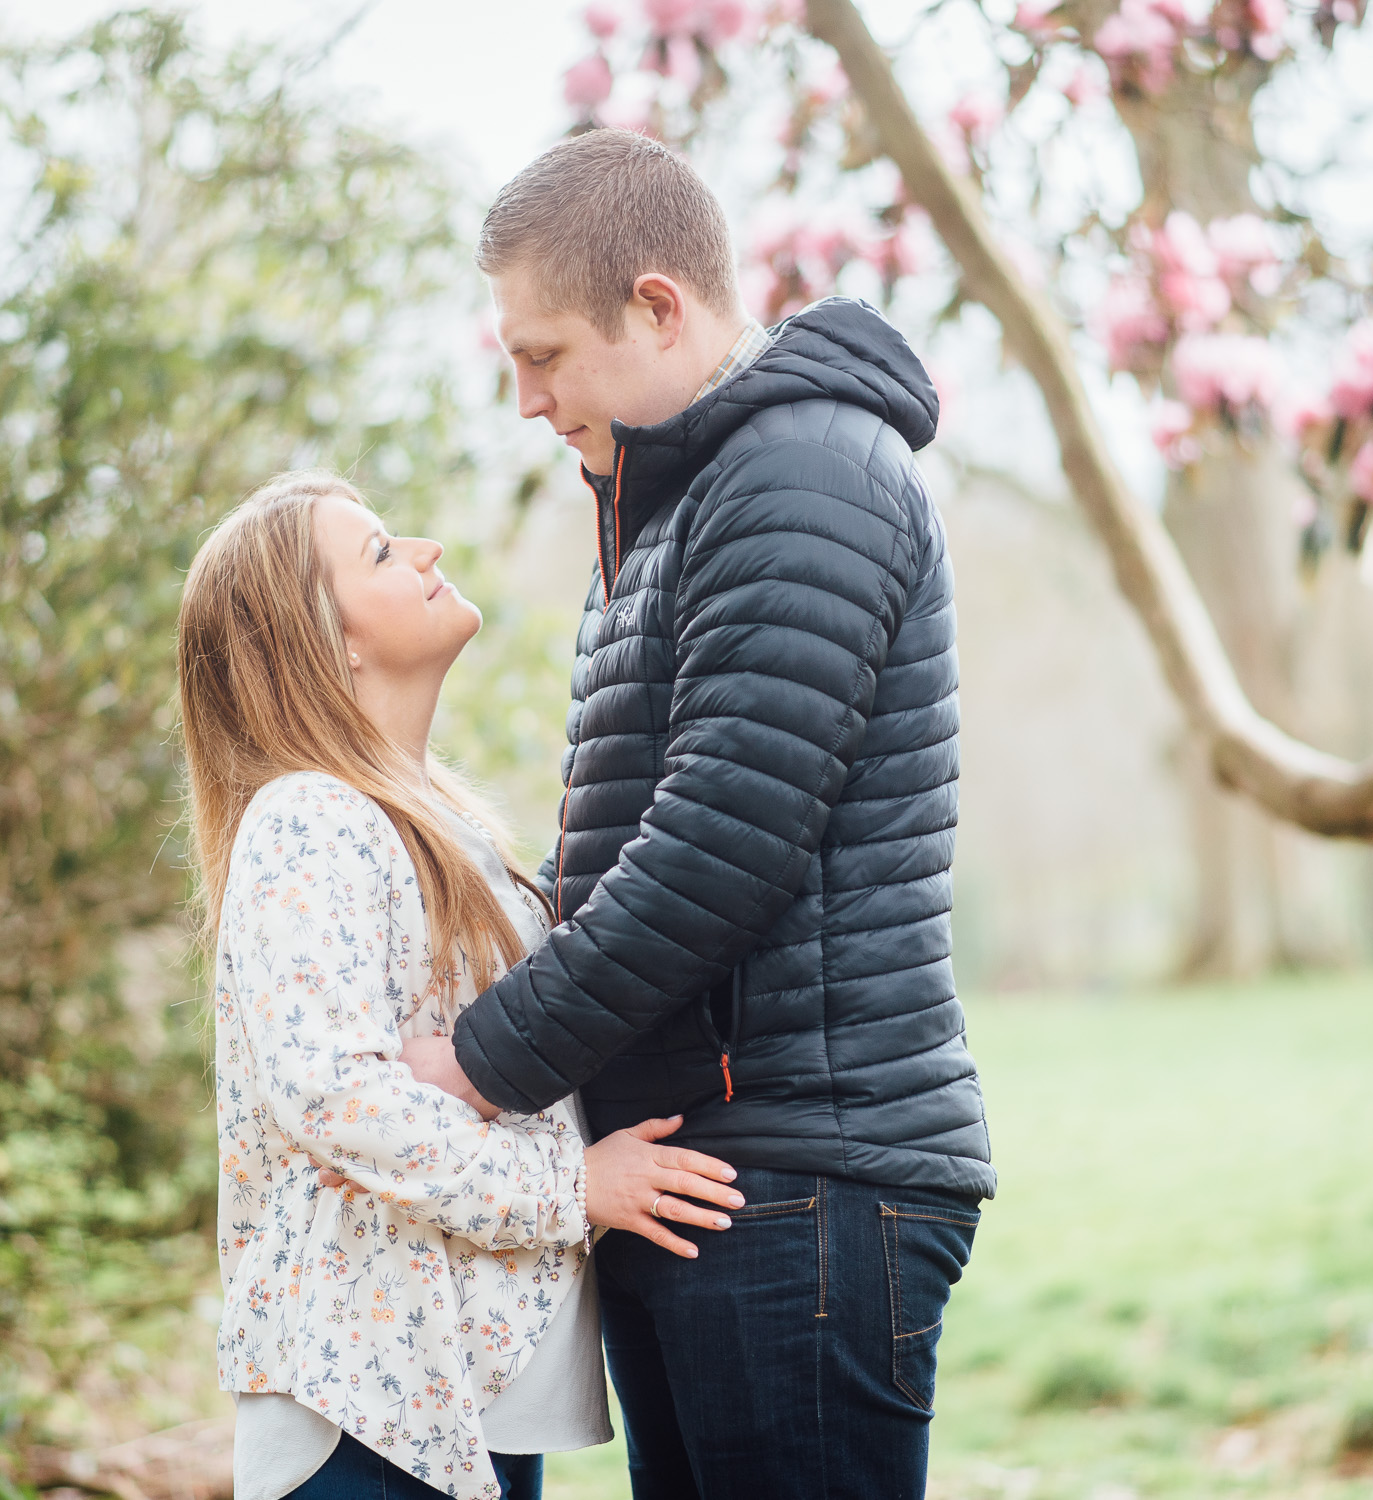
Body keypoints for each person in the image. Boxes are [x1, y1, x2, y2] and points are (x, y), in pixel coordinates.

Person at [404, 128, 998, 1499]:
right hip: (706, 1177)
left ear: (658, 306)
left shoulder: (801, 473)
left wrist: (480, 1067)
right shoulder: (674, 506)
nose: (527, 397)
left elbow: (716, 849)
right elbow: (619, 843)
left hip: (799, 1179)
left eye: (543, 352)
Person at [177, 471, 744, 1500]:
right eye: (384, 552)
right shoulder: (309, 820)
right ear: (326, 640)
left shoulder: (434, 820)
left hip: (460, 1393)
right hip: (368, 1413)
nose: (429, 549)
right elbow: (336, 1096)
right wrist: (573, 1187)